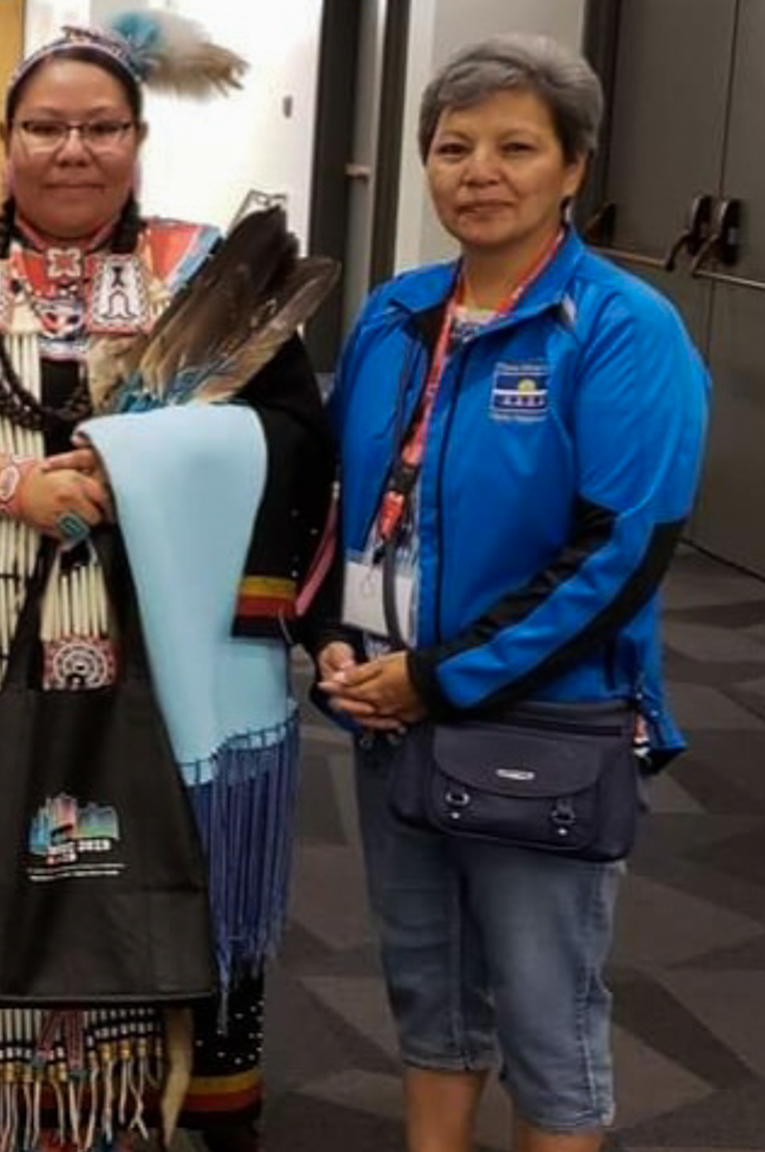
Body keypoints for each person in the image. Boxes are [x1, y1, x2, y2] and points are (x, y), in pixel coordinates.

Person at [0, 14, 336, 1152]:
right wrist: (14, 483)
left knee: (154, 865)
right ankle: (3, 1118)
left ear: (137, 138)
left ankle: (141, 1111)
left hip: (167, 650)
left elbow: (298, 445)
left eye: (101, 128)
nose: (72, 150)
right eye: (45, 128)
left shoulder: (199, 269)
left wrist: (145, 465)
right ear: (5, 140)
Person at [313, 34, 707, 1152]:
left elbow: (618, 551)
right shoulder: (396, 314)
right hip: (391, 706)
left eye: (515, 147)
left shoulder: (622, 327)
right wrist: (332, 635)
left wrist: (440, 677)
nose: (478, 172)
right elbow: (346, 502)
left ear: (573, 166)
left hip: (539, 718)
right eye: (453, 148)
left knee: (546, 1013)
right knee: (427, 994)